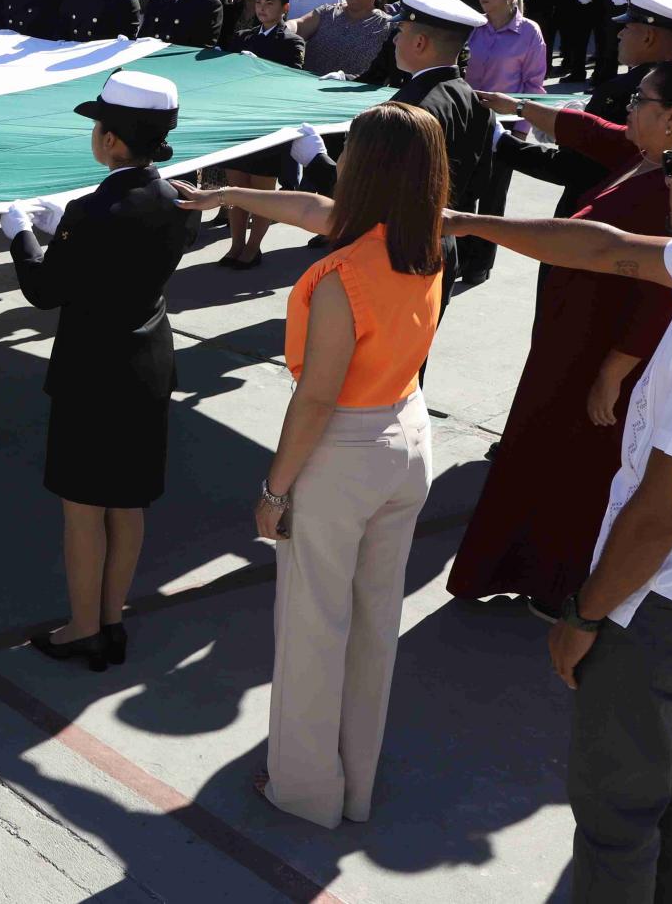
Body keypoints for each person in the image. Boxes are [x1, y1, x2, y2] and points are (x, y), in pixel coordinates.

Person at [444, 89, 672, 903]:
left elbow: (657, 514)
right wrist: (469, 224)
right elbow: (608, 250)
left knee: (616, 824)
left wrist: (584, 617)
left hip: (661, 609)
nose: (663, 174)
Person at [174, 102, 451, 829]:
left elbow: (317, 398)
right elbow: (305, 204)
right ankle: (355, 786)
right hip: (410, 438)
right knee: (371, 625)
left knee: (312, 628)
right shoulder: (423, 243)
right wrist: (226, 194)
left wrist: (274, 488)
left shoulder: (340, 275)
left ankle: (303, 790)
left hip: (346, 454)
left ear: (366, 169)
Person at [453, 58, 672, 617]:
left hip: (603, 352)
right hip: (571, 338)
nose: (628, 109)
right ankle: (516, 568)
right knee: (537, 452)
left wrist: (613, 371)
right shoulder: (646, 159)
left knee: (576, 470)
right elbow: (590, 131)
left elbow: (662, 291)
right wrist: (515, 106)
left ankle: (557, 585)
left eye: (641, 100)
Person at [1, 71, 195, 672]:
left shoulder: (90, 211)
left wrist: (22, 237)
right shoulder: (178, 200)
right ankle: (111, 618)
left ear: (111, 141)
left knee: (84, 507)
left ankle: (83, 628)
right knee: (128, 502)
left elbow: (43, 288)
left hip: (93, 370)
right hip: (147, 362)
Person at [293, 0, 493, 293]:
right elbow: (479, 185)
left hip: (395, 258)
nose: (394, 39)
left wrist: (314, 160)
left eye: (399, 32)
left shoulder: (406, 111)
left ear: (420, 43)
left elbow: (366, 201)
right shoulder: (472, 100)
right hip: (441, 248)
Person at [457, 0, 551, 283]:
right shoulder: (473, 27)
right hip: (468, 119)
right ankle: (459, 254)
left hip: (505, 126)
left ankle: (480, 262)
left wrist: (522, 129)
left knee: (493, 196)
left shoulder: (529, 32)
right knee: (463, 190)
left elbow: (533, 84)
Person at [218, 0, 309, 268]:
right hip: (240, 123)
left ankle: (253, 247)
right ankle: (235, 245)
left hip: (268, 126)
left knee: (261, 194)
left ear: (285, 7)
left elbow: (291, 80)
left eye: (270, 3)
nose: (262, 8)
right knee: (235, 190)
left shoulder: (292, 41)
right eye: (259, 2)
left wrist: (257, 66)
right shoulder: (244, 36)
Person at [293, 0, 393, 79]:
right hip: (306, 86)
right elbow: (299, 25)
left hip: (348, 94)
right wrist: (285, 26)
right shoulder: (327, 12)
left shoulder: (386, 26)